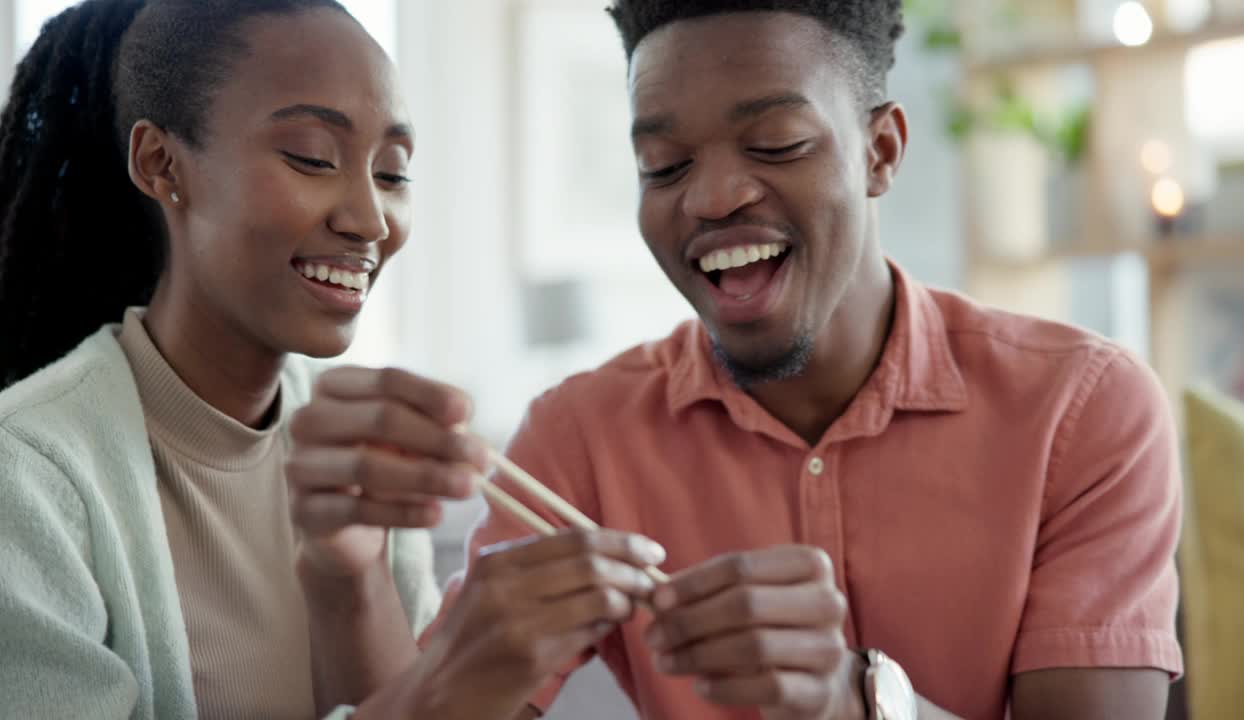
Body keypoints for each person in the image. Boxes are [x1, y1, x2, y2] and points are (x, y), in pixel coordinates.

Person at [287, 1, 1183, 719]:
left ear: (881, 152)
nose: (713, 196)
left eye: (777, 145)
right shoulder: (581, 435)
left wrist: (853, 701)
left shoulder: (1083, 408)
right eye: (664, 165)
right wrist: (347, 572)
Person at [0, 1, 461, 717]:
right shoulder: (23, 479)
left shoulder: (364, 444)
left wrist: (359, 579)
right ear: (161, 164)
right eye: (313, 157)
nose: (370, 221)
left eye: (393, 173)